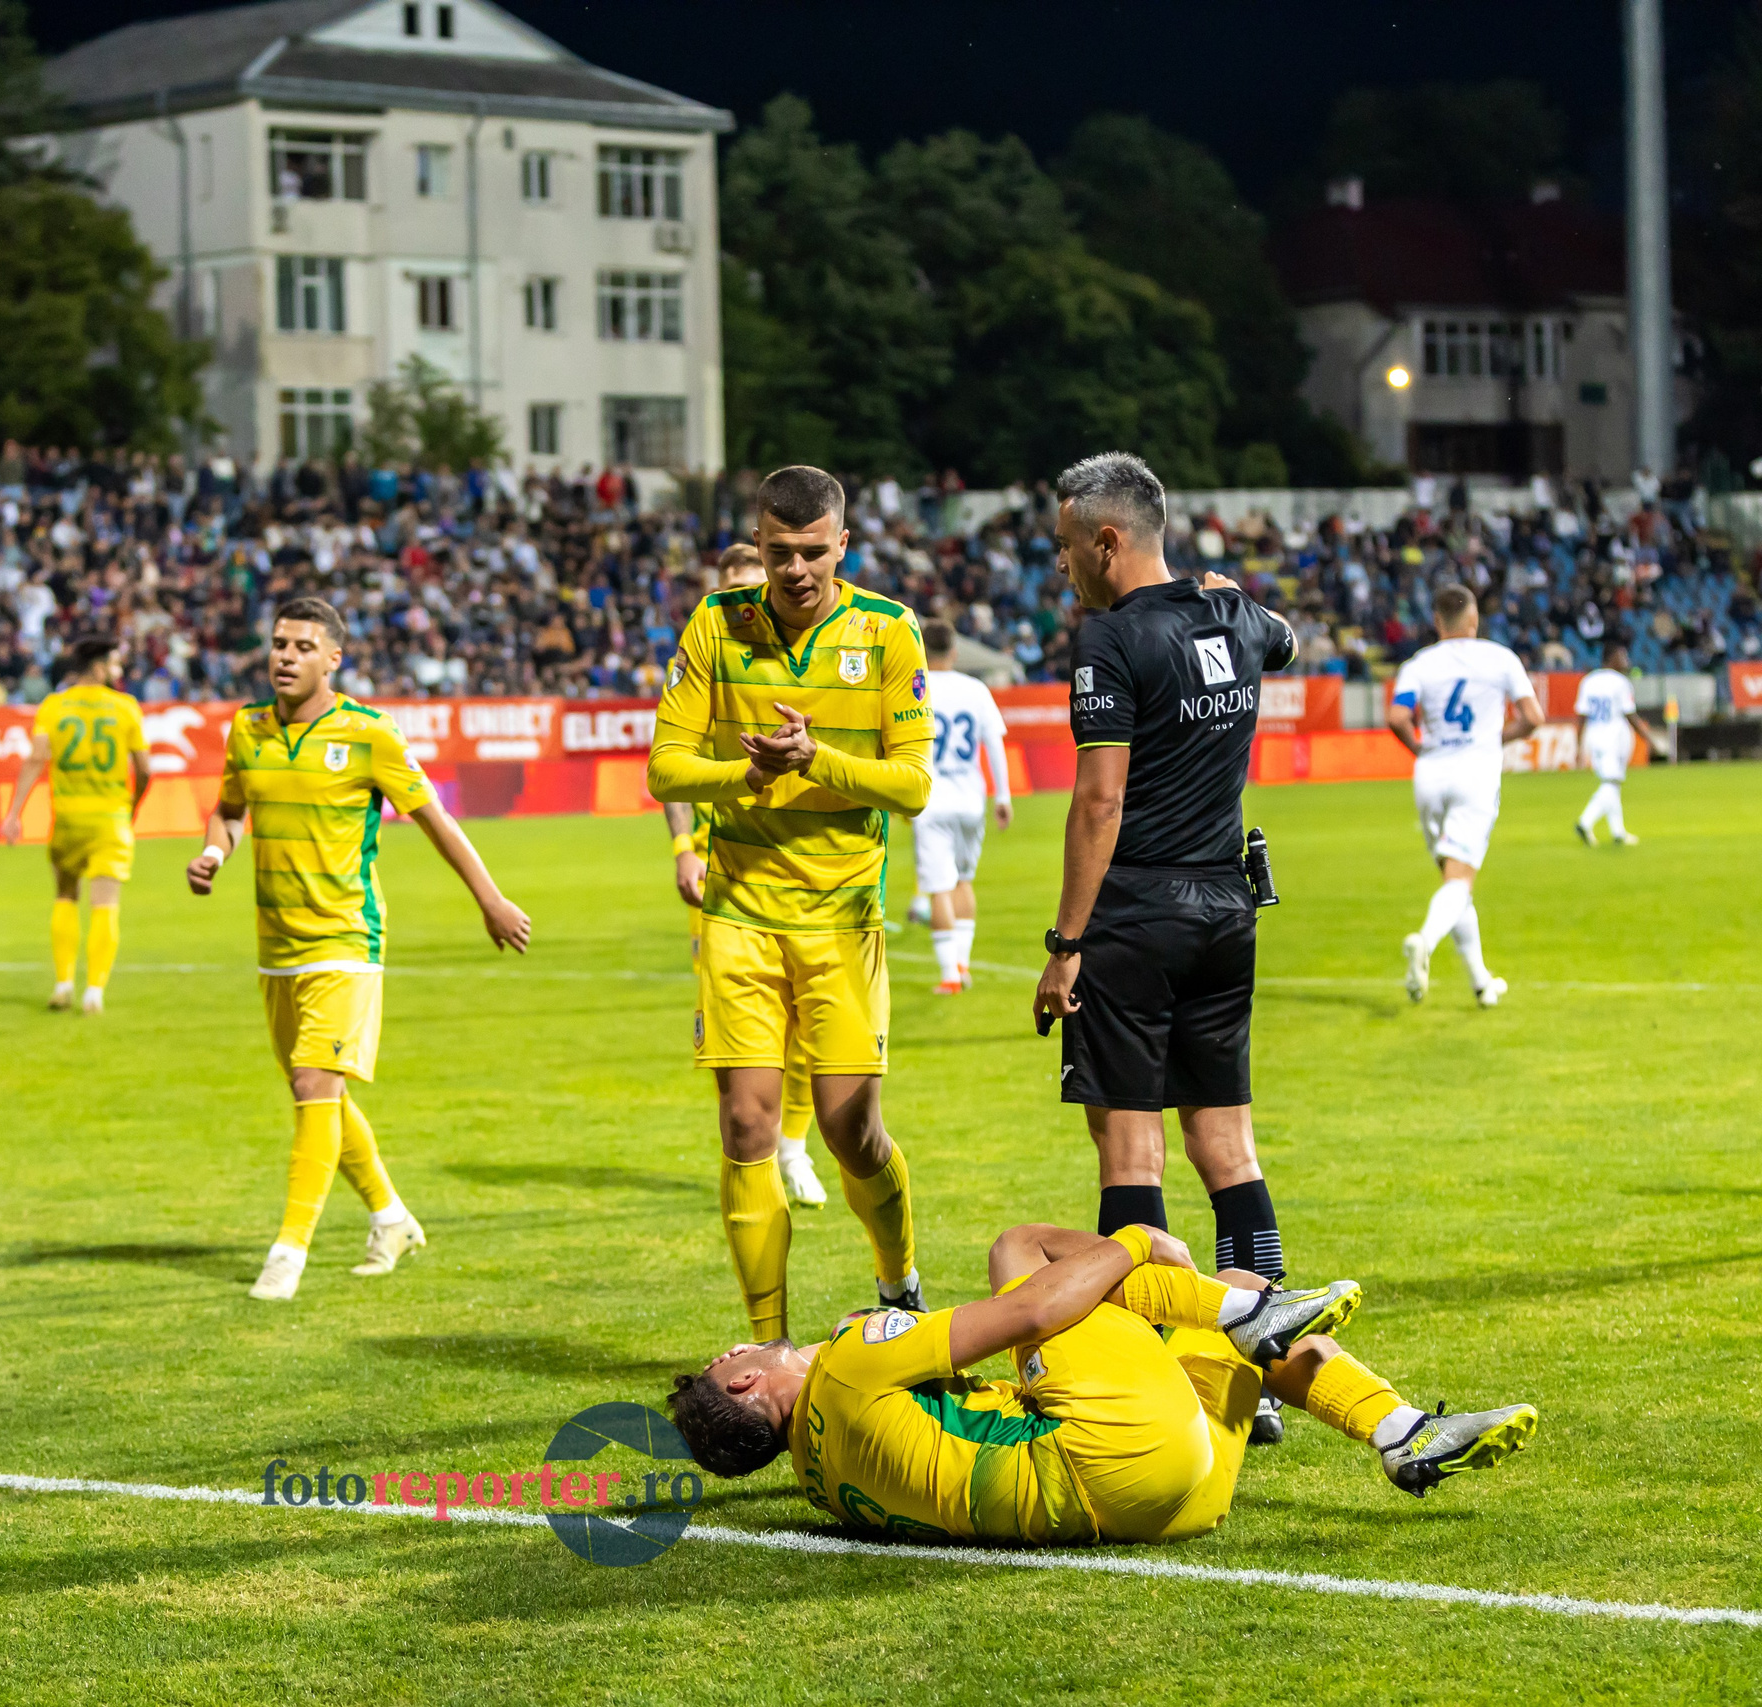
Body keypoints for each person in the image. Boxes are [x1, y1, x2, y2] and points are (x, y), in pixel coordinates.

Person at [666, 1219, 1538, 1544]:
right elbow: (1031, 1316)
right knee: (1026, 1255)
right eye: (728, 1358)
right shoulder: (852, 1358)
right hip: (1109, 1450)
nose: (741, 1347)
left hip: (1168, 1507)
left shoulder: (820, 1486)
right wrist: (1131, 1240)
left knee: (1226, 1304)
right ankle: (1247, 1317)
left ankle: (1401, 1434)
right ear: (744, 1386)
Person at [1030, 453, 1299, 1441]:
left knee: (1130, 1149)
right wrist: (1233, 599)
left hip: (1136, 918)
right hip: (1225, 909)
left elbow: (1098, 800)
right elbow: (1290, 639)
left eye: (1066, 547)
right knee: (1225, 1145)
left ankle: (1155, 1372)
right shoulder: (1232, 614)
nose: (1060, 566)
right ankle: (1262, 1372)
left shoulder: (1108, 640)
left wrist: (1067, 944)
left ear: (1108, 542)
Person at [648, 464, 936, 1347]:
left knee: (854, 1135)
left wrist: (816, 762)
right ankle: (768, 1341)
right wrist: (748, 773)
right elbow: (665, 766)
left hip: (844, 919)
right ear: (759, 547)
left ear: (843, 545)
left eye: (813, 552)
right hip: (738, 912)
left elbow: (913, 785)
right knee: (746, 1124)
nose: (796, 569)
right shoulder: (718, 622)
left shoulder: (889, 632)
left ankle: (899, 1281)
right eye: (779, 553)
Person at [187, 597, 531, 1301]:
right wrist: (213, 855)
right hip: (275, 945)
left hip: (346, 941)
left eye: (303, 646)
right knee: (321, 1096)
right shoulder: (247, 730)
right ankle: (391, 1216)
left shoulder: (370, 733)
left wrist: (490, 898)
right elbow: (228, 811)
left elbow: (435, 819)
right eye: (279, 642)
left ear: (333, 659)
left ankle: (287, 1253)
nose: (285, 655)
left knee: (316, 1084)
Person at [662, 544, 825, 1210]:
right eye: (727, 587)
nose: (738, 598)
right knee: (737, 1030)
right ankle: (756, 1142)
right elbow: (671, 760)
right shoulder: (702, 660)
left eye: (746, 585)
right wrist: (681, 846)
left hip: (809, 869)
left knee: (810, 1025)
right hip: (724, 873)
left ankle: (794, 1143)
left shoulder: (812, 661)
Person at [1386, 584, 1543, 1008]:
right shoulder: (1500, 657)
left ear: (1437, 622)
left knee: (1453, 882)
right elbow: (1533, 717)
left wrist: (1419, 748)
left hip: (1431, 774)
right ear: (1473, 621)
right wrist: (1495, 737)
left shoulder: (1419, 664)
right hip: (1474, 773)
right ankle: (1425, 940)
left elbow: (1398, 716)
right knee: (1459, 880)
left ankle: (1481, 983)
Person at [0, 636, 152, 1014]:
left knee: (65, 895)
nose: (118, 672)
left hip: (66, 818)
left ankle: (63, 982)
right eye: (114, 665)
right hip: (110, 819)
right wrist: (132, 807)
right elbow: (146, 769)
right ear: (98, 667)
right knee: (106, 904)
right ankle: (94, 992)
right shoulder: (125, 707)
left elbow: (36, 757)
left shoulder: (53, 706)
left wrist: (14, 812)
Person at [911, 623, 1011, 995]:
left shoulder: (914, 688)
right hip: (971, 799)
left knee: (938, 888)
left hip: (931, 800)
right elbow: (994, 745)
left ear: (922, 651)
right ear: (953, 651)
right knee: (963, 882)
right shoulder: (976, 689)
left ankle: (951, 975)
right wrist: (1003, 797)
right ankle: (963, 962)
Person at [1573, 642, 1658, 847]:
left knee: (1612, 783)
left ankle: (1618, 832)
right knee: (1610, 784)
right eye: (1623, 656)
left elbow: (1581, 716)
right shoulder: (1620, 682)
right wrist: (1649, 738)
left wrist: (1578, 746)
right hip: (1614, 737)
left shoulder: (1588, 681)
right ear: (1612, 658)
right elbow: (1630, 715)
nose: (1627, 661)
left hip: (1595, 736)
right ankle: (1585, 822)